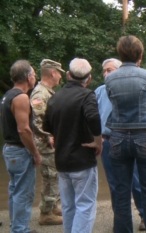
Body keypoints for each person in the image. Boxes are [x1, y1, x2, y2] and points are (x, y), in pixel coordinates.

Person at [105, 35, 146, 233]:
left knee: (121, 192)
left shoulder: (110, 78)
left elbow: (113, 104)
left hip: (118, 138)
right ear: (140, 55)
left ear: (120, 55)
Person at [43, 58, 102, 233]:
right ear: (89, 78)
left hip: (61, 161)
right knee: (85, 204)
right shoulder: (86, 95)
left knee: (68, 206)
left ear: (68, 75)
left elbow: (46, 127)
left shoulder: (55, 98)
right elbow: (93, 116)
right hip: (82, 159)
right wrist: (98, 141)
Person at [95, 58, 146, 231]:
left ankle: (144, 214)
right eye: (104, 70)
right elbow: (93, 117)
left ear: (119, 71)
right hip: (107, 142)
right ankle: (121, 218)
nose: (106, 73)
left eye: (109, 70)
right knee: (114, 183)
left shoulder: (130, 89)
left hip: (130, 139)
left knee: (137, 181)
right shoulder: (99, 91)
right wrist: (97, 139)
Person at [0, 60, 42, 233]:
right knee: (23, 193)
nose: (34, 77)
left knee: (15, 190)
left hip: (9, 149)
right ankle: (20, 229)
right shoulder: (21, 97)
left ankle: (16, 226)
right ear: (27, 77)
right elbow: (23, 129)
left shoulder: (7, 95)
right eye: (33, 74)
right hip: (19, 150)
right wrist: (35, 153)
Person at [30, 59, 64, 225]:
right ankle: (45, 213)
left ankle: (52, 206)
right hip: (46, 145)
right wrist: (47, 136)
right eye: (59, 73)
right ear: (52, 72)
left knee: (54, 176)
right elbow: (36, 120)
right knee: (50, 177)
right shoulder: (40, 94)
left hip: (51, 145)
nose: (60, 76)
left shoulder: (48, 92)